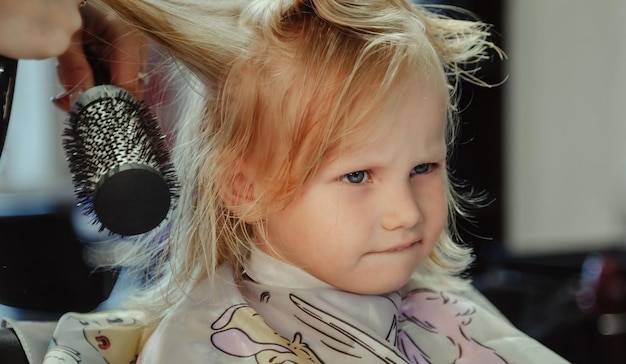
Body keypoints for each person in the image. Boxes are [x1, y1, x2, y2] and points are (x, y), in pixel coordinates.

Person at [40, 0, 569, 363]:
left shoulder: (443, 308)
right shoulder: (208, 341)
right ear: (246, 188)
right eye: (358, 175)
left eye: (423, 168)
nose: (405, 212)